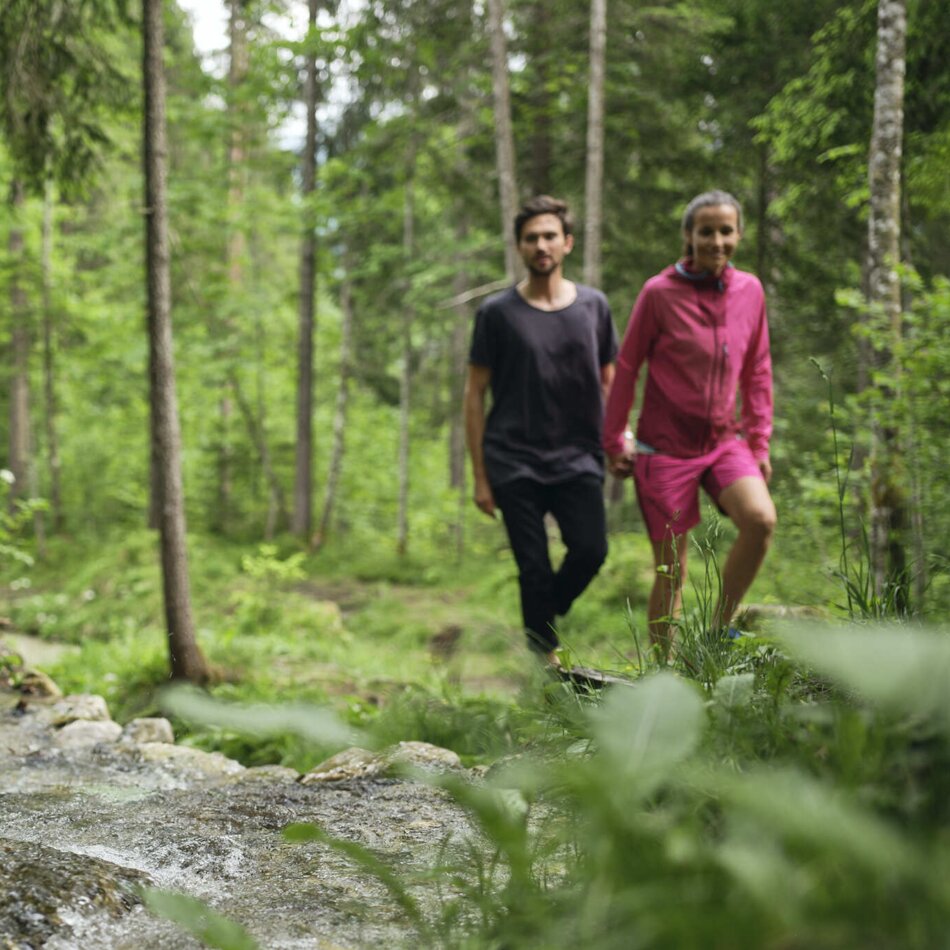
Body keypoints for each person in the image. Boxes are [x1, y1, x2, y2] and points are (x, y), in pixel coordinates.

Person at [602, 190, 776, 657]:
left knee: (760, 520)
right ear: (688, 236)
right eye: (706, 231)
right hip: (664, 450)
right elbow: (629, 364)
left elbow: (757, 369)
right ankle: (665, 674)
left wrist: (759, 444)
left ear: (738, 233)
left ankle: (719, 632)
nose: (717, 241)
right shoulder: (659, 293)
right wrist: (614, 437)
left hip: (724, 443)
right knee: (671, 570)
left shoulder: (750, 291)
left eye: (726, 231)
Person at [464, 195, 618, 669]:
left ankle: (541, 619)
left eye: (550, 235)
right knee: (532, 565)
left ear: (567, 242)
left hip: (578, 455)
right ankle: (544, 663)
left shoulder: (594, 306)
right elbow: (474, 395)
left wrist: (619, 440)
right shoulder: (497, 314)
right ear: (519, 247)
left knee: (591, 549)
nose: (541, 245)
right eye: (531, 238)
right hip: (513, 458)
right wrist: (481, 476)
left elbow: (611, 383)